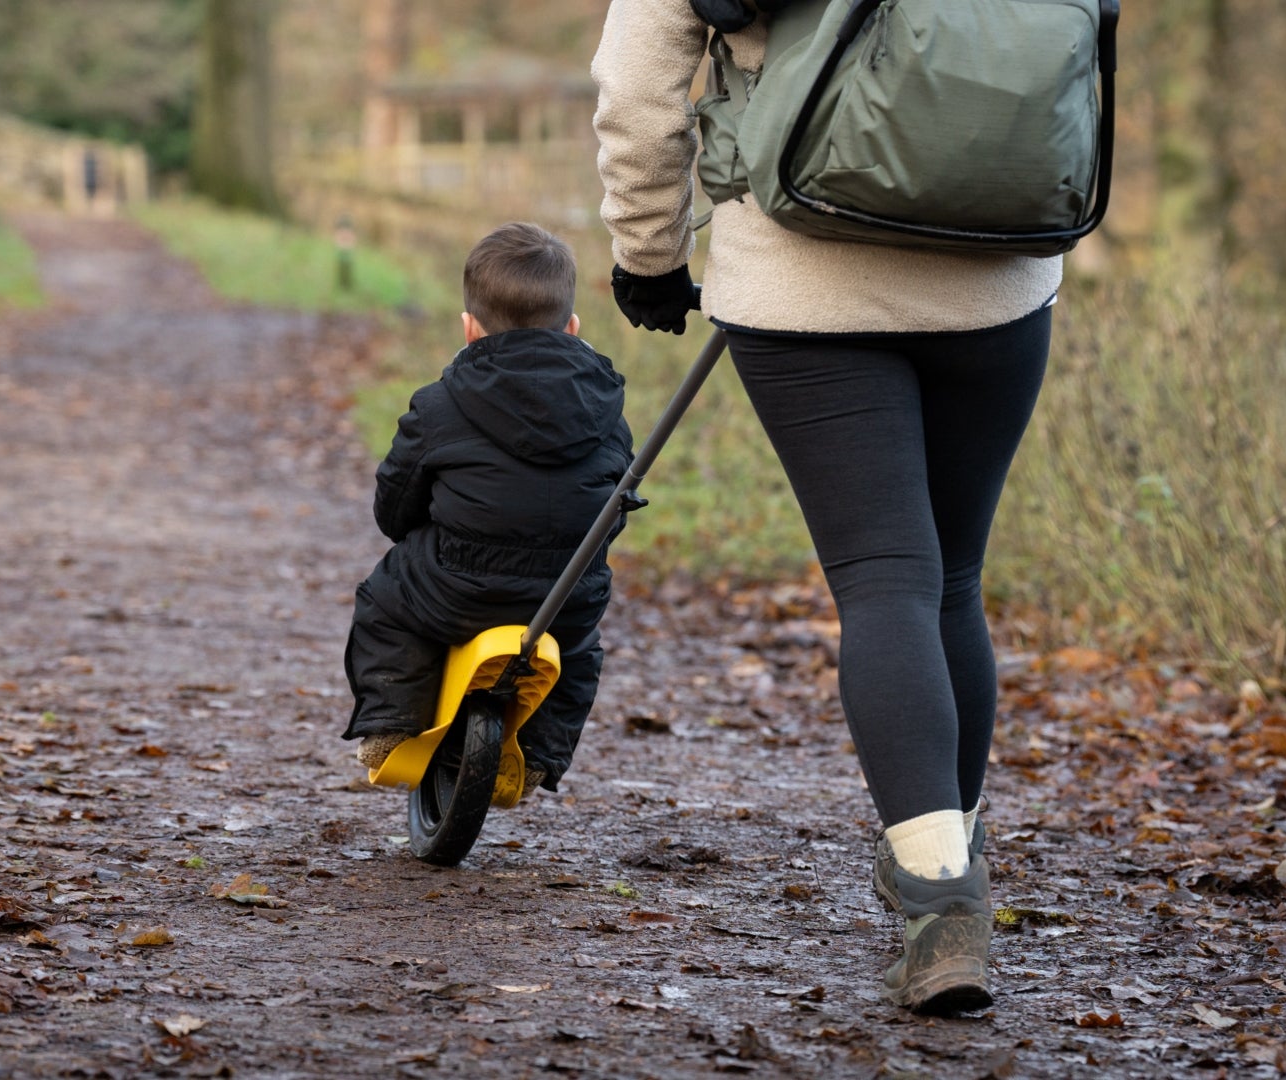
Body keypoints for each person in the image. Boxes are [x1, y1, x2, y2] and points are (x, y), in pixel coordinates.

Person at [592, 0, 1064, 1013]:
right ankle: (949, 863)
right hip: (1000, 260)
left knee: (885, 575)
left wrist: (648, 254)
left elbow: (639, 93)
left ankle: (940, 895)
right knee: (951, 578)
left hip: (804, 270)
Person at [343, 223, 633, 800]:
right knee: (581, 651)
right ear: (573, 328)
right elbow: (614, 514)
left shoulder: (441, 403)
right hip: (565, 596)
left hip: (458, 588)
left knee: (386, 604)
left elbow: (395, 506)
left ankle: (391, 724)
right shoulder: (608, 411)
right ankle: (544, 755)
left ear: (470, 330)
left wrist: (422, 525)